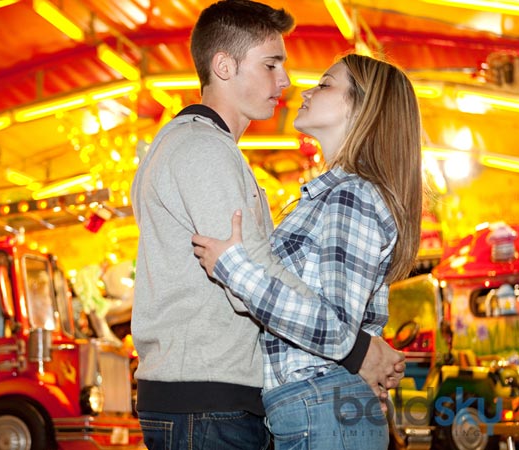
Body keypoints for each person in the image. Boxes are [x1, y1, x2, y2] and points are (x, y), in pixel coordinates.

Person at [131, 1, 406, 449]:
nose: (286, 81)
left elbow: (253, 270)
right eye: (271, 64)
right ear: (224, 66)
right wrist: (359, 350)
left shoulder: (211, 150)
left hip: (224, 395)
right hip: (207, 397)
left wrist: (358, 348)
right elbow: (252, 270)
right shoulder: (203, 150)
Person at [191, 53, 423, 449]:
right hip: (320, 404)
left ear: (361, 107)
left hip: (322, 404)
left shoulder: (351, 196)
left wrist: (234, 269)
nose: (305, 92)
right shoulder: (336, 195)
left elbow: (335, 325)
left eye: (325, 84)